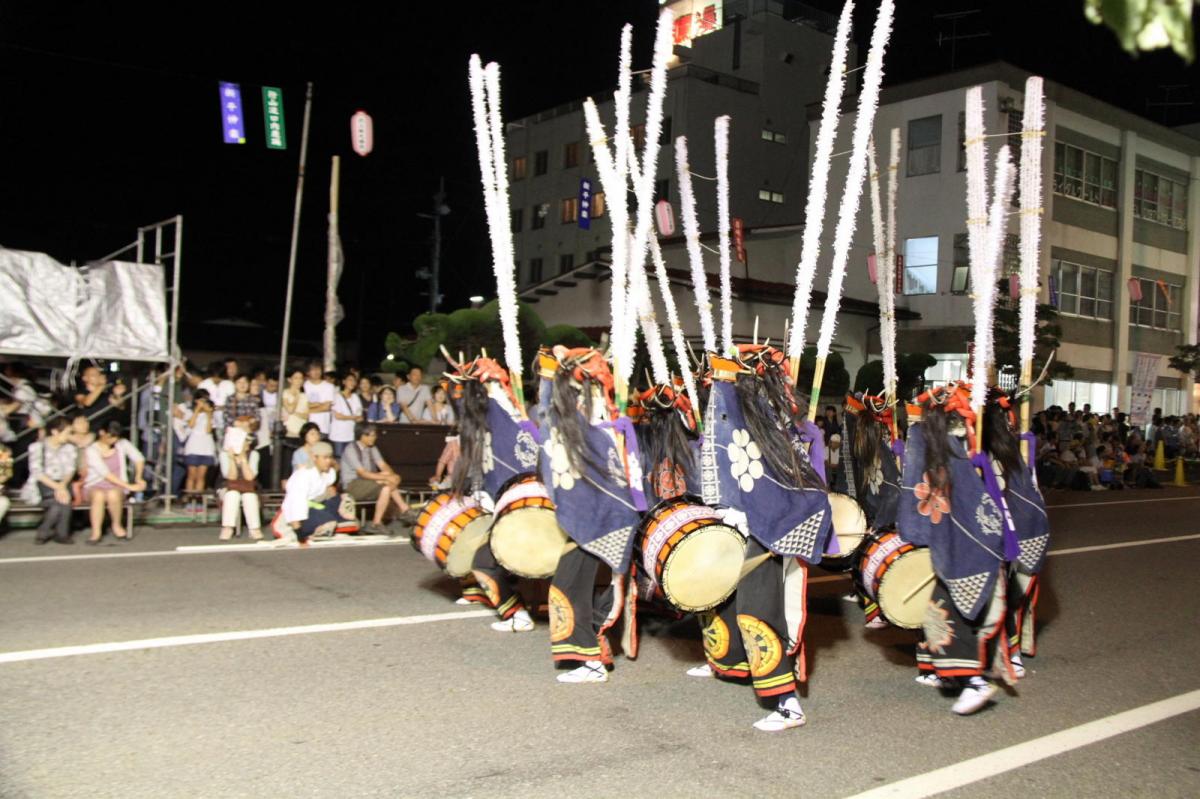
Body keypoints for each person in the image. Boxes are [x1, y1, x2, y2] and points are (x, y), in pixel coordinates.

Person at [339, 423, 417, 533]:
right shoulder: (351, 449)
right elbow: (362, 473)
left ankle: (376, 523)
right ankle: (404, 510)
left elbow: (383, 465)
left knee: (387, 486)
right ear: (362, 436)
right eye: (371, 435)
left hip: (368, 482)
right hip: (352, 485)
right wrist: (385, 478)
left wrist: (392, 476)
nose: (374, 438)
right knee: (386, 482)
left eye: (374, 435)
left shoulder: (372, 448)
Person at [274, 441, 355, 544]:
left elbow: (334, 471)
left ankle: (333, 521)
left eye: (330, 457)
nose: (328, 461)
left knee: (344, 497)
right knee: (328, 521)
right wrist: (299, 535)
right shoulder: (303, 476)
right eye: (325, 458)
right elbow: (294, 503)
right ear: (314, 457)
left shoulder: (325, 472)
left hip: (314, 507)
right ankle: (324, 525)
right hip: (294, 517)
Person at [83, 421, 146, 543]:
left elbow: (139, 458)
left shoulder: (122, 444)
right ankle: (96, 532)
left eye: (116, 437)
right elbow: (105, 473)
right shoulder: (92, 449)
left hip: (117, 486)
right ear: (102, 433)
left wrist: (138, 478)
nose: (114, 440)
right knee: (99, 495)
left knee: (112, 494)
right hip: (95, 485)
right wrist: (129, 486)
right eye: (111, 436)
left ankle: (117, 525)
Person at [23, 417, 77, 545]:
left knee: (64, 500)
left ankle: (60, 534)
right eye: (67, 432)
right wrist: (58, 487)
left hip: (62, 482)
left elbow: (70, 470)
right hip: (42, 484)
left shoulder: (69, 448)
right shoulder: (37, 447)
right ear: (55, 432)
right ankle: (46, 531)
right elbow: (37, 472)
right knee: (56, 505)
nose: (69, 436)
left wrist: (62, 485)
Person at [218, 419, 262, 541]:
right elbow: (230, 477)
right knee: (232, 495)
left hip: (248, 487)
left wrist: (243, 460)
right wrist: (232, 459)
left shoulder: (254, 454)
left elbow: (250, 477)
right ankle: (228, 527)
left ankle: (254, 528)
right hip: (227, 487)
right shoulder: (224, 454)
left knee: (249, 496)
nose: (247, 444)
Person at [183, 391, 216, 508]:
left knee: (201, 476)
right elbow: (191, 425)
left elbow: (208, 430)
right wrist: (197, 410)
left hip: (206, 448)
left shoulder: (211, 416)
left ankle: (197, 499)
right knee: (192, 474)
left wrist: (208, 413)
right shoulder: (190, 413)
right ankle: (189, 498)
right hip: (193, 447)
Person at [330, 372, 364, 457]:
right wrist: (353, 417)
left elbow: (359, 416)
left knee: (351, 458)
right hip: (338, 434)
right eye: (350, 380)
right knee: (339, 458)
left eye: (354, 381)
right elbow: (338, 416)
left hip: (351, 434)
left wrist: (348, 417)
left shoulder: (355, 397)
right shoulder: (336, 396)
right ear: (344, 382)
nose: (353, 383)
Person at [197, 363, 234, 439]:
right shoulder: (203, 385)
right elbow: (199, 403)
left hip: (226, 423)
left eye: (219, 377)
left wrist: (220, 407)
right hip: (208, 422)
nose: (216, 379)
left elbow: (232, 404)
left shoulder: (229, 384)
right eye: (214, 377)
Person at [66, 411, 96, 505]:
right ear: (71, 426)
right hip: (73, 473)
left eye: (85, 421)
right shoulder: (66, 440)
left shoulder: (93, 436)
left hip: (92, 472)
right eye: (79, 422)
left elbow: (84, 442)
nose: (84, 425)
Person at [303, 361, 336, 436]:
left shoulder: (329, 386)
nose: (316, 372)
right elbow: (302, 405)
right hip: (305, 427)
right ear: (308, 372)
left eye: (318, 369)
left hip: (322, 428)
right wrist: (319, 404)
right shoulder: (304, 385)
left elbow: (326, 407)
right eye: (313, 369)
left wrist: (308, 409)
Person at [281, 368, 311, 439]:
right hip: (289, 431)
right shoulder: (285, 393)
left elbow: (307, 416)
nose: (299, 381)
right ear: (289, 380)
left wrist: (294, 413)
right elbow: (290, 410)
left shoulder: (304, 396)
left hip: (301, 430)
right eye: (296, 378)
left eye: (301, 378)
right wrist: (297, 396)